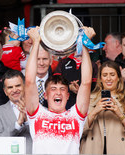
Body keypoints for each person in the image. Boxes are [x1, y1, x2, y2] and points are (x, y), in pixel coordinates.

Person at [21, 26, 93, 154]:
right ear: (45, 95)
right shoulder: (37, 115)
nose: (58, 92)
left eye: (62, 89)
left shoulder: (76, 116)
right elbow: (30, 81)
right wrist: (36, 41)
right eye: (53, 89)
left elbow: (86, 82)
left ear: (68, 95)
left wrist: (85, 44)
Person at [80, 61, 125, 154]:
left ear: (119, 78)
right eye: (105, 75)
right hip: (93, 150)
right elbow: (75, 132)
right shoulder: (89, 100)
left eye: (112, 74)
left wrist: (120, 115)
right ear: (100, 79)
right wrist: (94, 112)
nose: (108, 78)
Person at [0, 69, 32, 154]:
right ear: (5, 92)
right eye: (10, 87)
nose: (15, 90)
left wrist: (27, 121)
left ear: (25, 86)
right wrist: (18, 124)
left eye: (18, 85)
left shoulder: (38, 109)